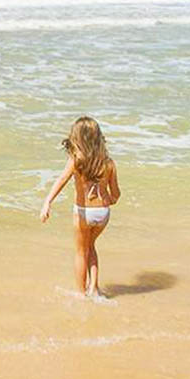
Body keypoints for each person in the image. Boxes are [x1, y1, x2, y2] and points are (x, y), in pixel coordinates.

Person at [40, 116, 122, 297]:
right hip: (102, 214)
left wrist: (47, 202)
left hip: (84, 213)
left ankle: (81, 293)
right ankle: (94, 288)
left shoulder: (76, 160)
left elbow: (62, 180)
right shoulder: (108, 163)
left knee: (81, 251)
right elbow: (116, 195)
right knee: (91, 246)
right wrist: (106, 197)